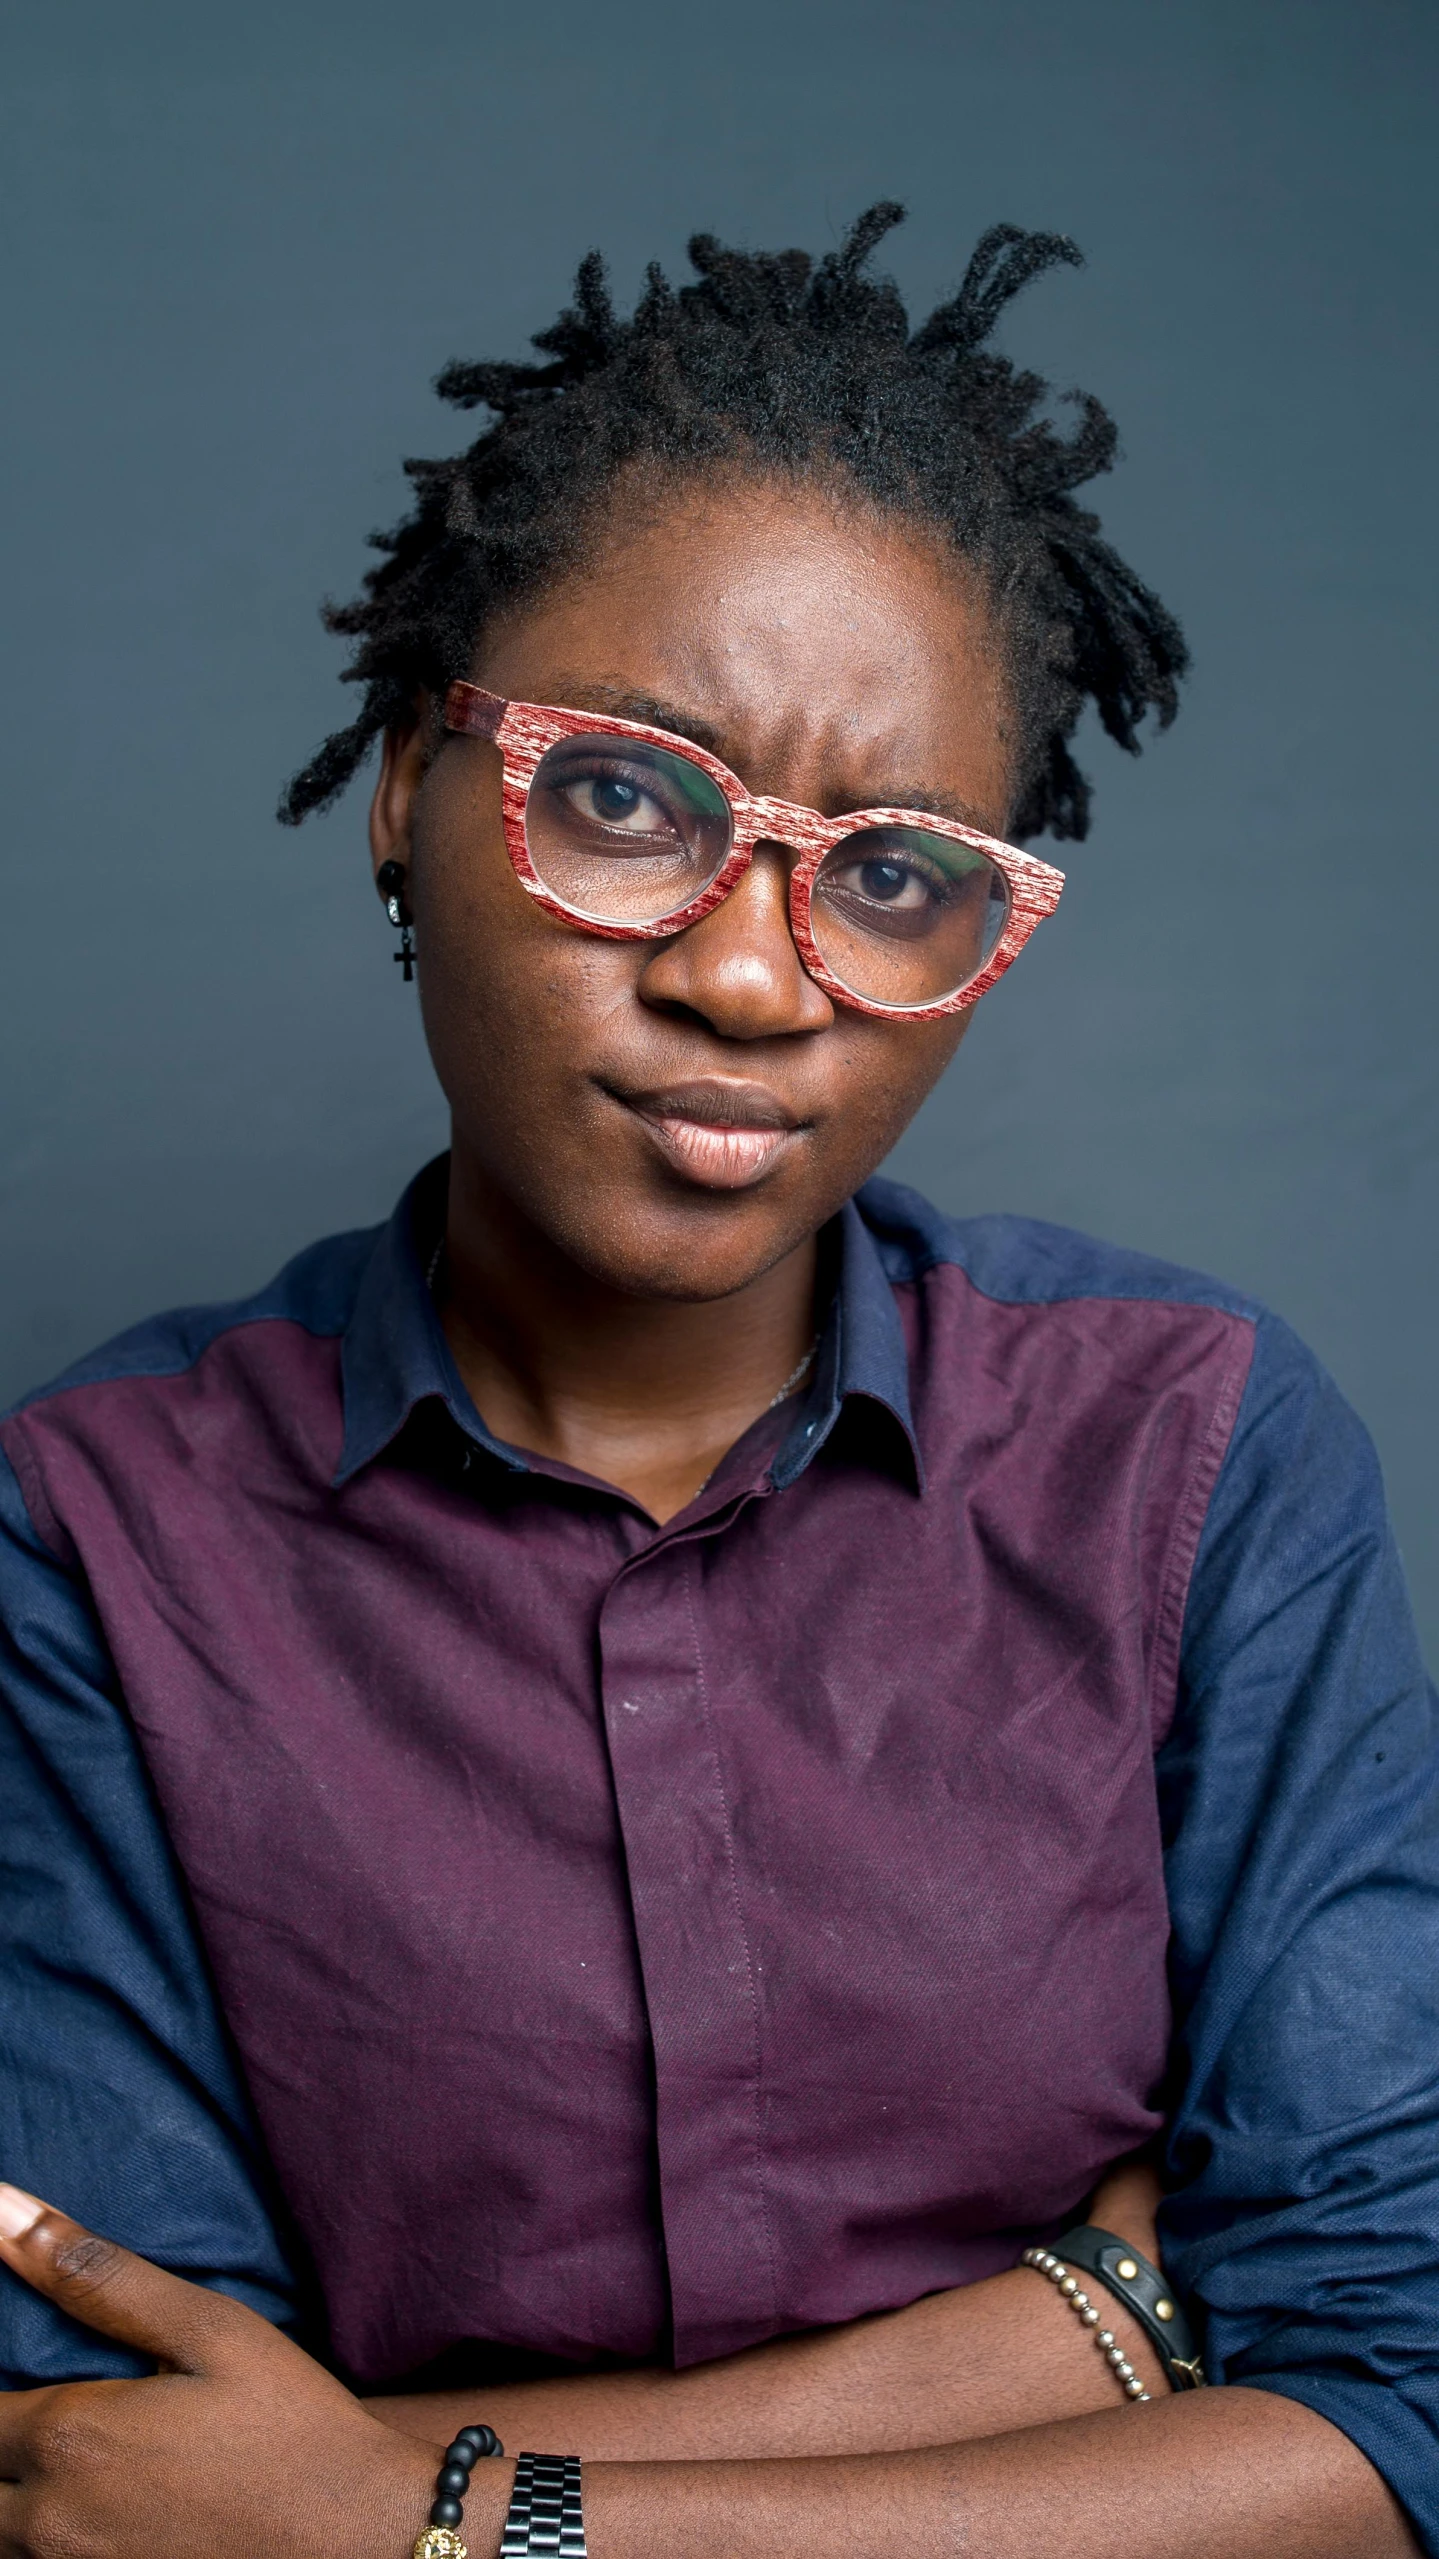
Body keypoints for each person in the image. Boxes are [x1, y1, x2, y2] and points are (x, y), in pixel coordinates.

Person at [0, 207, 1433, 2559]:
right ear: (403, 782)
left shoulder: (1192, 1457)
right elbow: (126, 2485)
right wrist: (1087, 2326)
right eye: (629, 801)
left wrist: (432, 2521)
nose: (761, 985)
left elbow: (1392, 2418)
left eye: (890, 878)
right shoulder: (88, 1543)